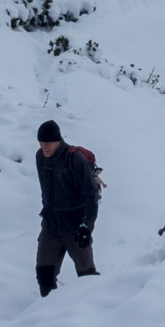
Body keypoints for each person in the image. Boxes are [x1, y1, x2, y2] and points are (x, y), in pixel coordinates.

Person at [34, 119, 100, 296]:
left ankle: (96, 310)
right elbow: (45, 190)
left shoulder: (74, 159)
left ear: (58, 140)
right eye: (41, 143)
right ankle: (48, 315)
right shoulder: (40, 157)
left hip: (75, 227)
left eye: (48, 143)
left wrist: (87, 227)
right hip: (51, 226)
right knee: (44, 277)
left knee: (87, 276)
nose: (44, 147)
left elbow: (90, 195)